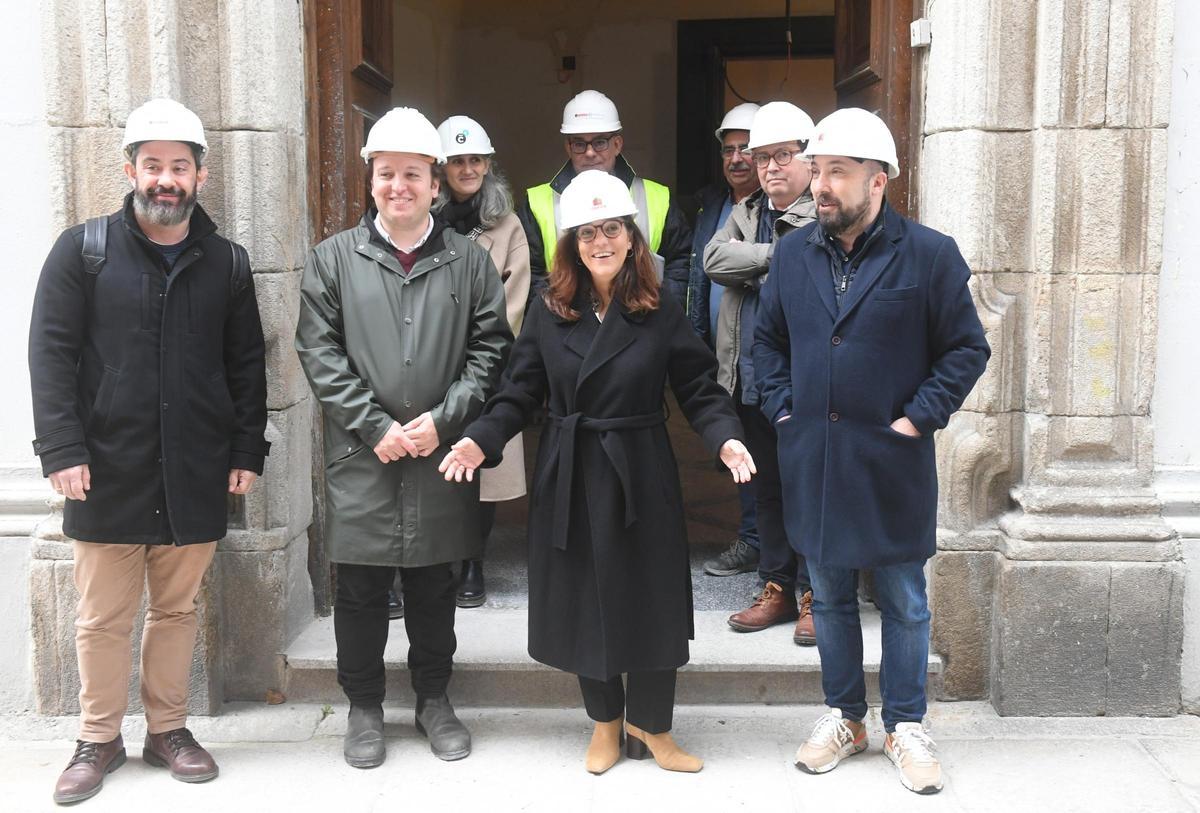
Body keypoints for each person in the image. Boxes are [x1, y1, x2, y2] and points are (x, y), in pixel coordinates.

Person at [439, 171, 754, 775]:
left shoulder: (659, 307)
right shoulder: (548, 311)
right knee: (588, 600)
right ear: (572, 245)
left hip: (642, 471)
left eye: (611, 229)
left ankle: (653, 728)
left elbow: (698, 386)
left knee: (653, 599)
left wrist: (726, 437)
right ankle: (606, 723)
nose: (600, 242)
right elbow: (517, 392)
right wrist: (481, 439)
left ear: (632, 238)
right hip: (573, 472)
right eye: (587, 233)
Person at [29, 98, 270, 805]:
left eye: (180, 166)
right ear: (130, 169)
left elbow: (246, 364)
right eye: (154, 165)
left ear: (200, 175)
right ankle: (96, 738)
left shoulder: (227, 262)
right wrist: (61, 448)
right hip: (105, 467)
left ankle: (168, 730)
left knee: (176, 609)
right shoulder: (84, 251)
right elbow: (51, 355)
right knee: (102, 617)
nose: (167, 179)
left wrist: (246, 449)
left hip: (195, 467)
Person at [754, 108, 990, 794]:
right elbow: (767, 342)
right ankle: (846, 717)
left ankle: (906, 723)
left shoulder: (929, 255)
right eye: (818, 171)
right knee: (828, 595)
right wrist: (784, 409)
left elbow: (966, 348)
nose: (820, 185)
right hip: (817, 458)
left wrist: (917, 420)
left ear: (878, 180)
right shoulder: (793, 254)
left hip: (891, 460)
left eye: (837, 172)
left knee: (904, 599)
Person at [295, 107, 512, 769]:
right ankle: (363, 707)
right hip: (364, 453)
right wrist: (375, 424)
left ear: (435, 183)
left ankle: (433, 700)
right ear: (371, 180)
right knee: (360, 588)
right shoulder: (333, 259)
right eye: (387, 173)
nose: (399, 186)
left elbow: (490, 350)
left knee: (434, 585)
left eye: (413, 174)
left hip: (439, 455)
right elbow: (319, 352)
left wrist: (445, 419)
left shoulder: (469, 262)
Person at [703, 102, 818, 646]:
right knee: (767, 489)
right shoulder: (747, 210)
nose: (770, 166)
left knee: (809, 489)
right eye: (762, 156)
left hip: (800, 381)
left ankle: (816, 594)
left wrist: (750, 262)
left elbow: (808, 269)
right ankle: (776, 587)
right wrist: (775, 258)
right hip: (746, 375)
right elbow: (712, 261)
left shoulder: (822, 212)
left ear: (808, 159)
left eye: (782, 155)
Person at [434, 114, 531, 609]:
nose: (467, 168)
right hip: (428, 365)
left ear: (488, 165)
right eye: (457, 161)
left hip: (487, 365)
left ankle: (473, 560)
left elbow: (514, 300)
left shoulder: (507, 225)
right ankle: (434, 561)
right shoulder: (423, 221)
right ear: (442, 167)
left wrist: (474, 353)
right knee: (433, 464)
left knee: (482, 464)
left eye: (476, 160)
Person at [517, 90, 693, 305]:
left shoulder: (658, 198)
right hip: (567, 321)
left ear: (617, 144)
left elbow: (680, 263)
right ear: (568, 148)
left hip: (643, 319)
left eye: (600, 142)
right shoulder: (536, 203)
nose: (590, 152)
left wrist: (659, 313)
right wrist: (558, 316)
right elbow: (530, 274)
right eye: (579, 144)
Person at [688, 102, 765, 582]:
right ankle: (756, 539)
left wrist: (749, 260)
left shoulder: (777, 208)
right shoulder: (710, 204)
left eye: (747, 149)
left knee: (763, 453)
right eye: (729, 150)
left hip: (762, 356)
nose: (737, 159)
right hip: (721, 354)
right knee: (738, 446)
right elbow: (706, 267)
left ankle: (763, 545)